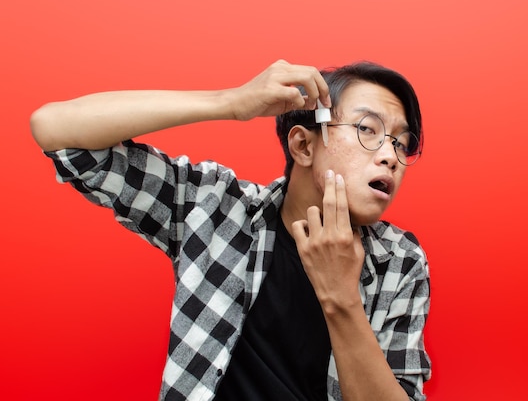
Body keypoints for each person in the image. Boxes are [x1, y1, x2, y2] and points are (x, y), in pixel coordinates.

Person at [30, 59, 431, 401]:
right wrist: (231, 102)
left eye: (401, 143)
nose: (390, 157)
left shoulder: (401, 262)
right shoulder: (215, 208)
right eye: (367, 130)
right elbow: (55, 130)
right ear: (304, 146)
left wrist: (341, 298)